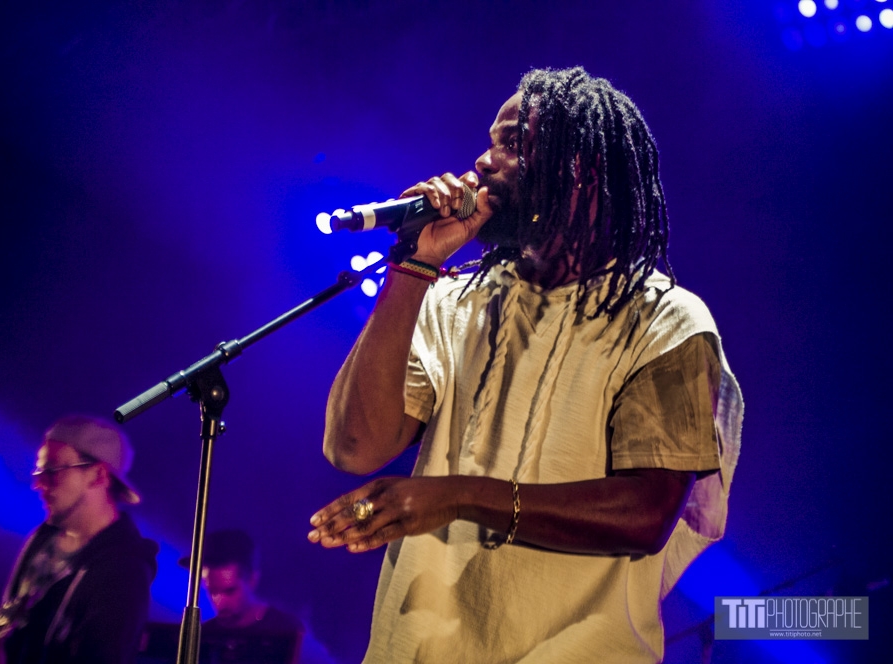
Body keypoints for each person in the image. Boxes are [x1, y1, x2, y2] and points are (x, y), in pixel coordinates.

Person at [307, 67, 743, 663]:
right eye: (490, 142)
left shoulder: (665, 321)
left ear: (584, 169)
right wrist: (413, 266)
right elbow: (354, 448)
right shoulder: (454, 300)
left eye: (514, 144)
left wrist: (458, 496)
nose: (484, 162)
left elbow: (645, 513)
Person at [0, 415, 158, 664]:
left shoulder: (124, 572)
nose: (38, 484)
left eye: (52, 471)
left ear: (98, 475)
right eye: (39, 472)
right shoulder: (42, 538)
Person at [179, 528, 304, 664]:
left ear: (252, 580)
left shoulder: (286, 629)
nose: (219, 602)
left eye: (230, 591)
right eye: (213, 591)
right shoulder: (203, 635)